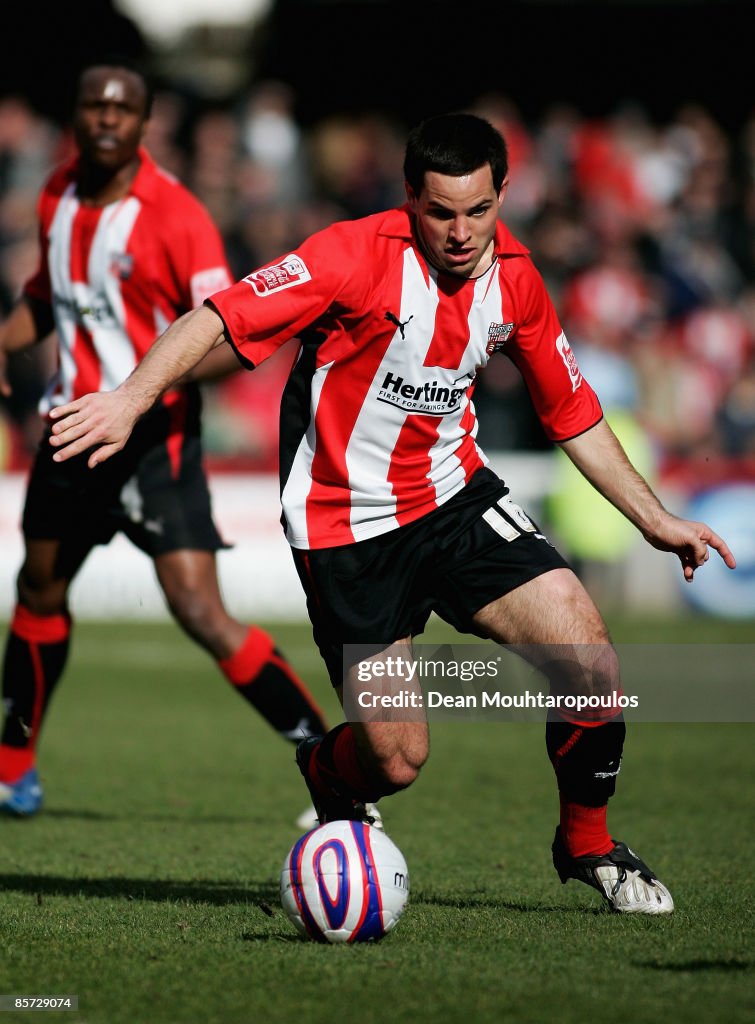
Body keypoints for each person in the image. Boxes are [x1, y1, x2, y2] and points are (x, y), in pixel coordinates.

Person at [47, 113, 736, 914]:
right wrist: (132, 399)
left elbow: (572, 412)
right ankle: (326, 769)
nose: (459, 232)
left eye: (478, 211)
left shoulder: (516, 277)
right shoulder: (349, 255)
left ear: (502, 194)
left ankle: (587, 845)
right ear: (410, 196)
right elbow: (218, 316)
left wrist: (653, 518)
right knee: (398, 761)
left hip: (453, 499)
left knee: (589, 658)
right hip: (345, 529)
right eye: (440, 212)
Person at [0, 57, 333, 824]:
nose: (107, 119)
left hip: (154, 445)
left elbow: (227, 334)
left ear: (145, 123)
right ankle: (14, 767)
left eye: (123, 109)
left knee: (199, 610)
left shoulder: (178, 216)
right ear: (76, 115)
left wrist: (140, 396)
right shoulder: (55, 192)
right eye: (94, 106)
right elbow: (47, 300)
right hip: (67, 433)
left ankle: (327, 756)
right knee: (36, 592)